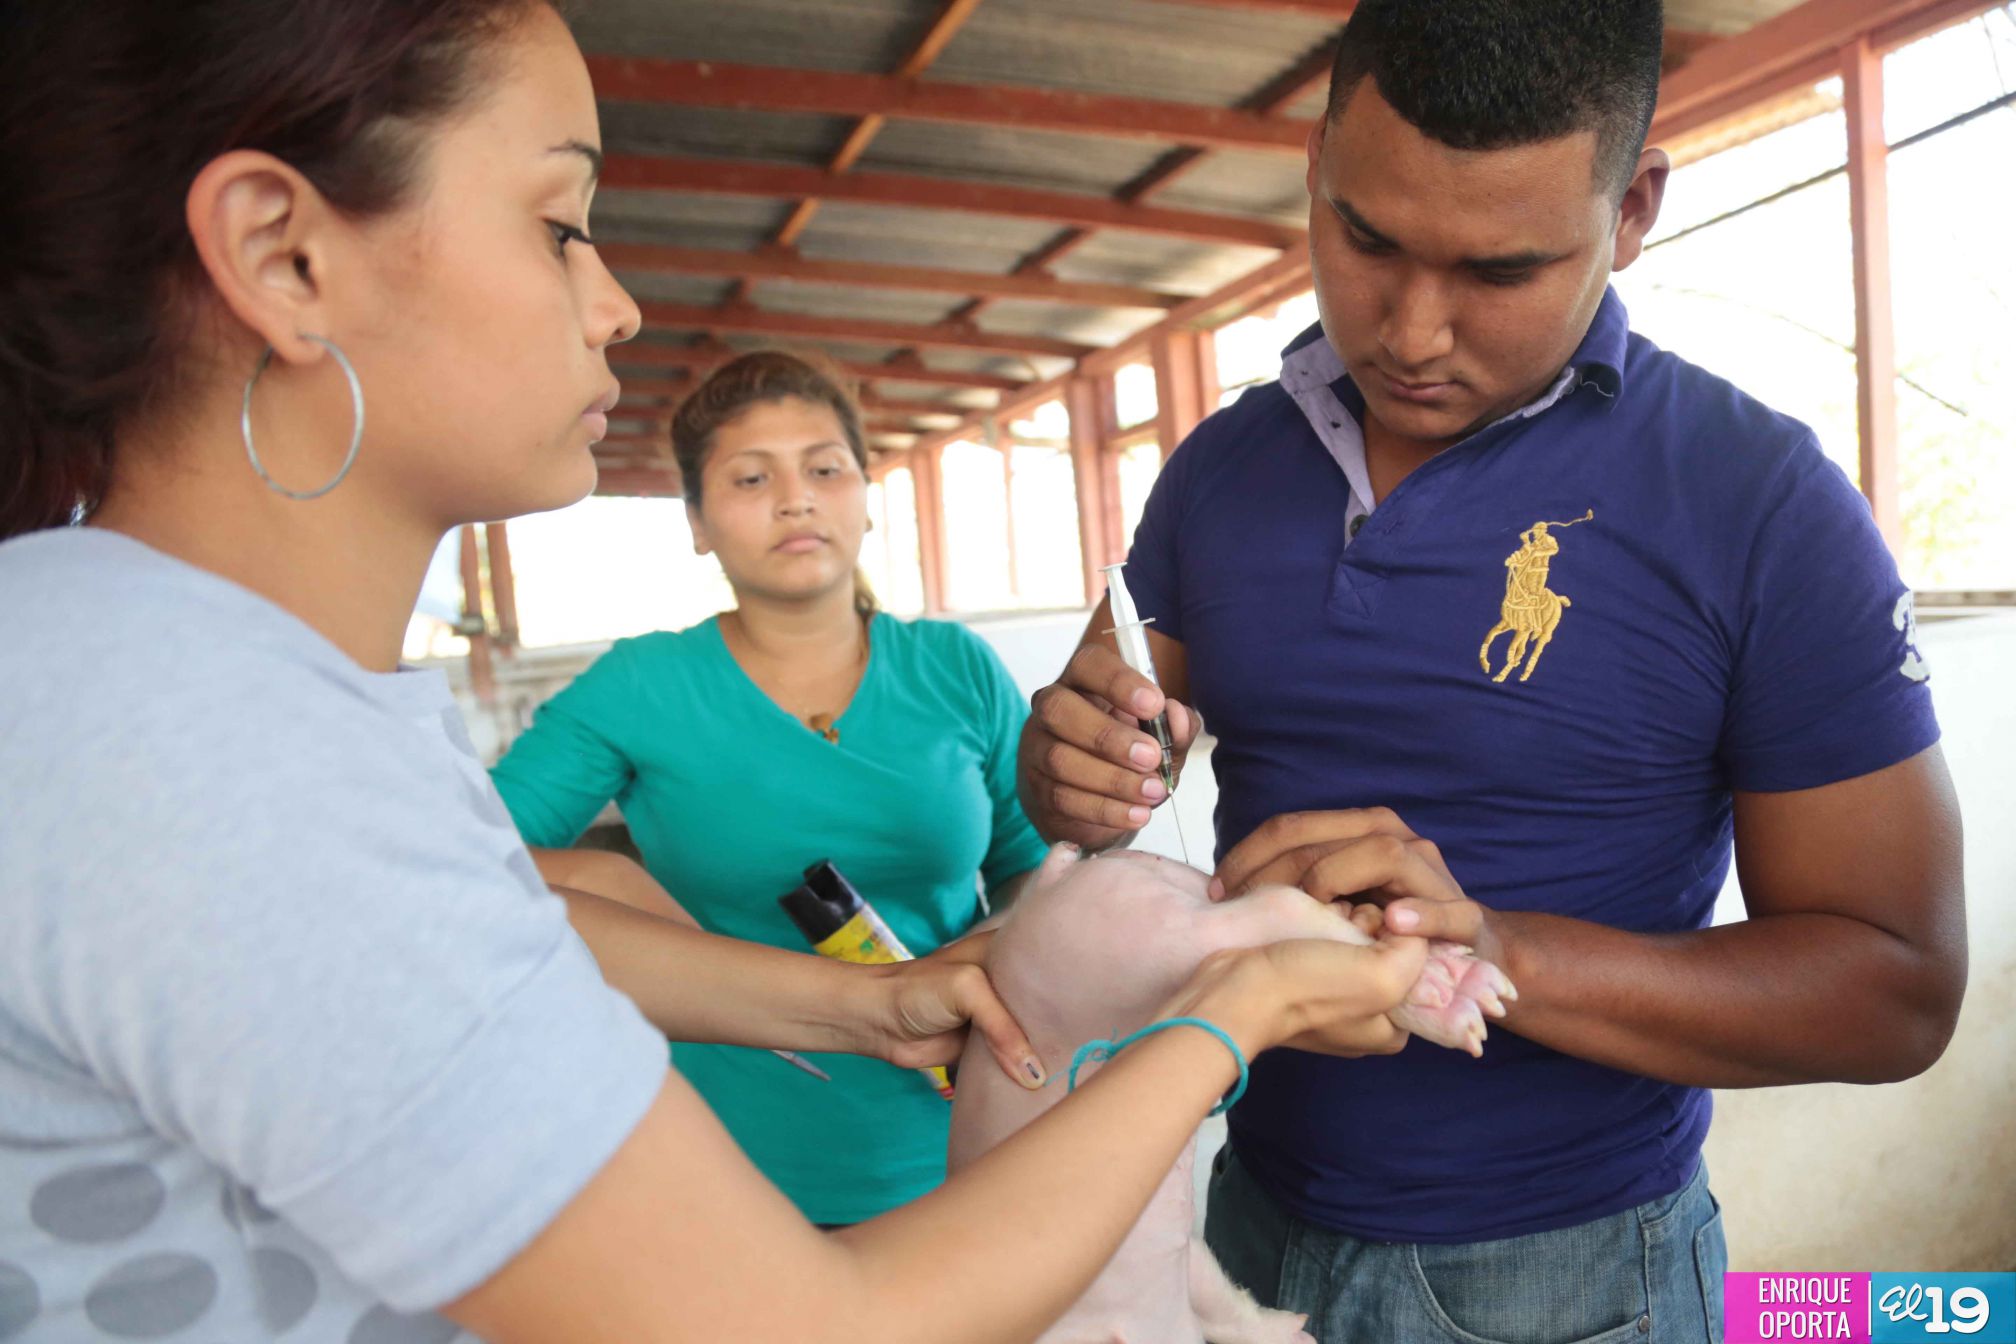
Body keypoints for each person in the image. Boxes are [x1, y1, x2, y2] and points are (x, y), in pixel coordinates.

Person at [0, 2, 1448, 1340]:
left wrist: (861, 1000)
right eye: (560, 222)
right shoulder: (205, 740)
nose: (616, 301)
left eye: (824, 468)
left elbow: (464, 920)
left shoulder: (161, 671)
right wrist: (1235, 1017)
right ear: (281, 254)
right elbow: (814, 1326)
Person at [1017, 3, 1967, 1341]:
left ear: (1631, 209)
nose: (1408, 329)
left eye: (1500, 270)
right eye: (1365, 239)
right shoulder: (1219, 475)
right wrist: (1067, 766)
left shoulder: (1759, 507)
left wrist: (1497, 950)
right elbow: (1096, 746)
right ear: (1318, 160)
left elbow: (1898, 988)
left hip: (1572, 1282)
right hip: (1240, 1229)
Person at [490, 349, 1051, 1227]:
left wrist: (990, 946)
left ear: (866, 494)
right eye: (752, 478)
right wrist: (608, 884)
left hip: (963, 1131)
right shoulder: (643, 685)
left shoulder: (956, 668)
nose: (797, 498)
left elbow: (1033, 862)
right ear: (698, 523)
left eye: (825, 469)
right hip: (726, 1162)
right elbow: (464, 849)